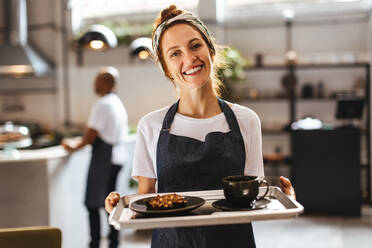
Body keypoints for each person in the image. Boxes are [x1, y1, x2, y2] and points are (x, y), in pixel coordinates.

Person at [105, 5, 295, 248]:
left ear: (210, 50)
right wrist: (118, 207)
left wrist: (281, 200)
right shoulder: (151, 126)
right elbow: (144, 205)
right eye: (175, 53)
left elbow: (252, 198)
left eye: (195, 45)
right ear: (166, 68)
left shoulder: (246, 120)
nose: (189, 58)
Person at [62, 66, 128, 248]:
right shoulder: (116, 102)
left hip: (104, 159)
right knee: (111, 205)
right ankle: (114, 243)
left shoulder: (103, 104)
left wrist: (73, 146)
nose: (94, 84)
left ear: (106, 83)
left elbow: (91, 135)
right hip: (116, 158)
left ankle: (95, 244)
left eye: (98, 80)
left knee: (92, 204)